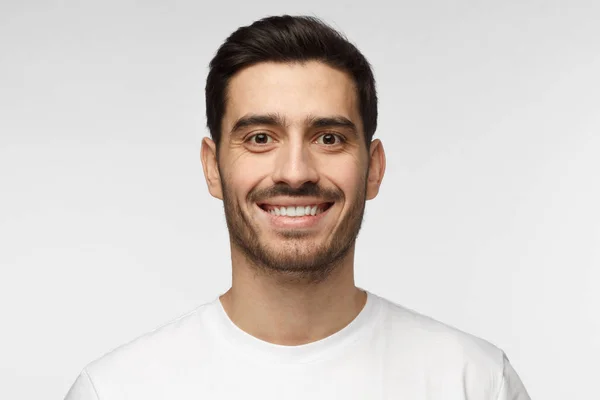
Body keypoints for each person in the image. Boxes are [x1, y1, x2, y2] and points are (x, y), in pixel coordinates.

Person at [65, 15, 530, 399]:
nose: (294, 172)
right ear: (212, 167)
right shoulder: (117, 390)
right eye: (260, 138)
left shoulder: (475, 382)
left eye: (329, 138)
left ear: (374, 169)